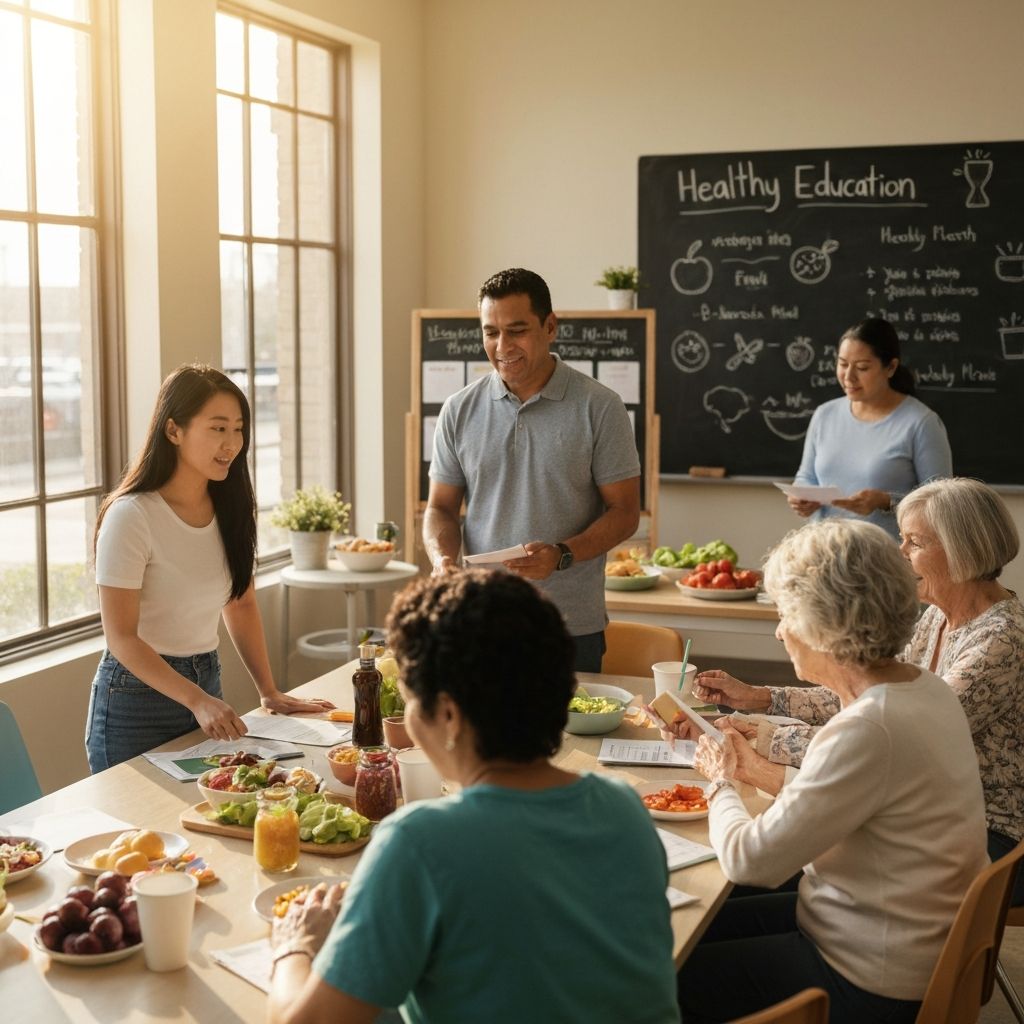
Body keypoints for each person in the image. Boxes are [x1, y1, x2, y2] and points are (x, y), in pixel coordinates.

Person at [267, 569, 680, 1024]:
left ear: (448, 713)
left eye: (408, 700)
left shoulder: (419, 842)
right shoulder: (624, 807)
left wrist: (293, 946)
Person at [675, 519, 988, 1024]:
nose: (779, 631)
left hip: (871, 982)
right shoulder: (924, 690)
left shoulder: (870, 726)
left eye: (785, 616)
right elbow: (854, 800)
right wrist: (757, 772)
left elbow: (749, 860)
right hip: (886, 938)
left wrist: (721, 779)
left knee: (655, 973)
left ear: (825, 625)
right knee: (691, 918)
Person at [676, 477, 1024, 906]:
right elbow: (871, 688)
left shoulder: (1001, 639)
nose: (899, 554)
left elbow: (880, 736)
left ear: (962, 548)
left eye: (913, 542)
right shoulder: (937, 617)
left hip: (974, 836)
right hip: (909, 821)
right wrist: (761, 699)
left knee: (724, 889)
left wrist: (756, 746)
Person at [85, 364, 332, 772]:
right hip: (135, 697)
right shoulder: (131, 516)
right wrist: (197, 699)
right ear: (173, 431)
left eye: (238, 429)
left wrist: (267, 690)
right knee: (138, 829)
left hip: (206, 678)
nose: (232, 443)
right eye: (218, 428)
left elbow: (241, 603)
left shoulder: (230, 507)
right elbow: (122, 637)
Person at [423, 267, 641, 672]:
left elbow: (625, 512)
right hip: (478, 620)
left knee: (571, 737)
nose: (502, 345)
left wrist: (562, 554)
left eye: (517, 330)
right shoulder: (458, 409)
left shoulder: (600, 406)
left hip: (568, 628)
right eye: (491, 332)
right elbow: (440, 508)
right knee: (478, 736)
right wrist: (442, 559)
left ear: (550, 326)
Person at [787, 317, 951, 540]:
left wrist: (886, 502)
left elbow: (941, 505)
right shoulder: (825, 415)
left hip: (890, 561)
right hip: (826, 552)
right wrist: (801, 497)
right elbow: (806, 476)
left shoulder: (921, 423)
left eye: (862, 367)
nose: (848, 376)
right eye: (843, 364)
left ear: (890, 367)